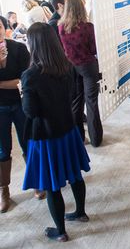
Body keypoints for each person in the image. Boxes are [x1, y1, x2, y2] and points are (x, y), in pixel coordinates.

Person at [21, 22, 91, 242]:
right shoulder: (66, 66)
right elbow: (71, 97)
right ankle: (80, 212)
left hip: (46, 136)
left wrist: (23, 94)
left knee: (52, 186)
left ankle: (60, 231)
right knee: (75, 175)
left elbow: (31, 112)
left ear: (33, 44)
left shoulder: (31, 75)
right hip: (67, 130)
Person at [59, 0, 103, 147]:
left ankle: (79, 138)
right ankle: (96, 139)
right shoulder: (88, 27)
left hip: (71, 67)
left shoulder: (61, 27)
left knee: (76, 102)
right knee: (91, 103)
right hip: (88, 66)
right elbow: (93, 49)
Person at [0, 15, 32, 213]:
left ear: (6, 29)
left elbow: (25, 79)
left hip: (20, 104)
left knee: (28, 142)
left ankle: (36, 181)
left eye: (0, 28)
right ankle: (4, 191)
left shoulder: (19, 49)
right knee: (2, 150)